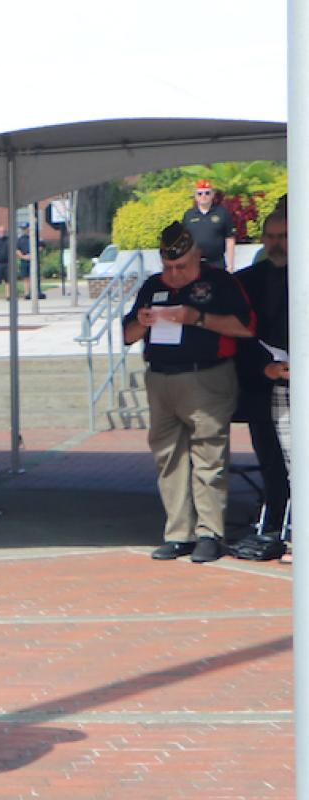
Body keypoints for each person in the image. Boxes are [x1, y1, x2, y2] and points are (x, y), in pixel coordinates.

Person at [124, 221, 254, 563]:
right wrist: (143, 321)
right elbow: (127, 334)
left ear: (197, 256)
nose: (175, 274)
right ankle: (178, 532)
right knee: (168, 457)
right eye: (168, 267)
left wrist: (196, 317)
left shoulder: (220, 282)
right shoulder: (153, 285)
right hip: (161, 378)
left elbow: (245, 326)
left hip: (206, 377)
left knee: (209, 457)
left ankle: (210, 532)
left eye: (181, 267)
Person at [237, 210, 290, 549]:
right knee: (269, 456)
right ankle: (273, 519)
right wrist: (263, 368)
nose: (275, 244)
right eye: (270, 237)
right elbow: (239, 337)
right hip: (263, 383)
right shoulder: (247, 280)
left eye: (283, 236)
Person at [184, 179, 238, 270]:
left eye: (207, 193)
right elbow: (184, 241)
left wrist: (230, 265)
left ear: (212, 195)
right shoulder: (188, 215)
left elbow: (230, 239)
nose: (203, 196)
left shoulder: (222, 213)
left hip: (217, 263)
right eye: (200, 194)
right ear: (195, 197)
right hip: (194, 264)